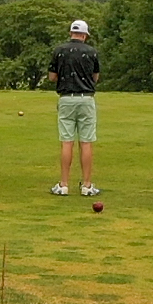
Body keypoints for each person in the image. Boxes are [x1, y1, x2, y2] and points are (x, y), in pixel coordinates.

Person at [47, 19, 101, 197]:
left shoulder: (59, 51)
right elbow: (95, 77)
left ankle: (63, 185)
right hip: (86, 99)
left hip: (66, 99)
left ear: (71, 33)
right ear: (85, 35)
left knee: (67, 142)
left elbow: (52, 77)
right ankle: (87, 185)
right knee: (86, 142)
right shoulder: (92, 52)